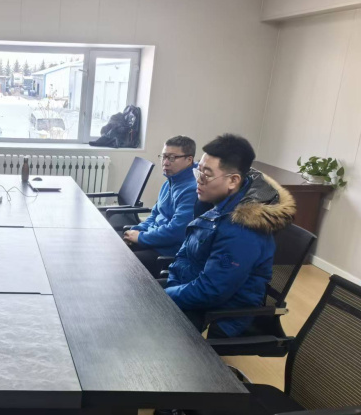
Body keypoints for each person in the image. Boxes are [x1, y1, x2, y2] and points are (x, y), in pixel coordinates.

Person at [165, 133, 295, 336]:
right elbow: (186, 254)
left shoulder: (242, 230)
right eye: (198, 171)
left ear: (233, 181)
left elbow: (211, 291)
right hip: (192, 293)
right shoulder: (214, 204)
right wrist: (171, 287)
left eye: (207, 174)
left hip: (219, 317)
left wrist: (165, 296)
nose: (198, 180)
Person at [123, 136, 198, 277]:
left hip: (168, 252)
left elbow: (176, 232)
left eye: (172, 158)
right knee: (115, 247)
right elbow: (154, 215)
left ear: (189, 159)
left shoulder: (192, 189)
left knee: (122, 262)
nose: (165, 162)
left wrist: (141, 237)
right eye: (163, 156)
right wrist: (137, 230)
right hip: (154, 241)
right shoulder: (169, 182)